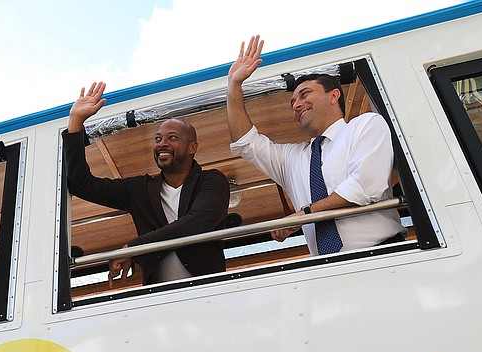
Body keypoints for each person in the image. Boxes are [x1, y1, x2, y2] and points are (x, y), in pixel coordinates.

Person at [226, 36, 406, 255]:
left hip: (384, 256)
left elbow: (365, 187)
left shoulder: (365, 125)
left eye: (305, 94)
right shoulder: (291, 158)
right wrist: (234, 85)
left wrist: (304, 214)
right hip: (327, 271)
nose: (297, 104)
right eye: (293, 103)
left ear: (334, 96)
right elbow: (246, 143)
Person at [64, 81, 229, 285]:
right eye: (158, 139)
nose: (162, 144)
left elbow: (199, 221)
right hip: (157, 301)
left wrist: (135, 248)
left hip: (210, 293)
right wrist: (75, 122)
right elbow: (83, 185)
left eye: (172, 138)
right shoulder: (139, 189)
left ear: (192, 147)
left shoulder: (212, 180)